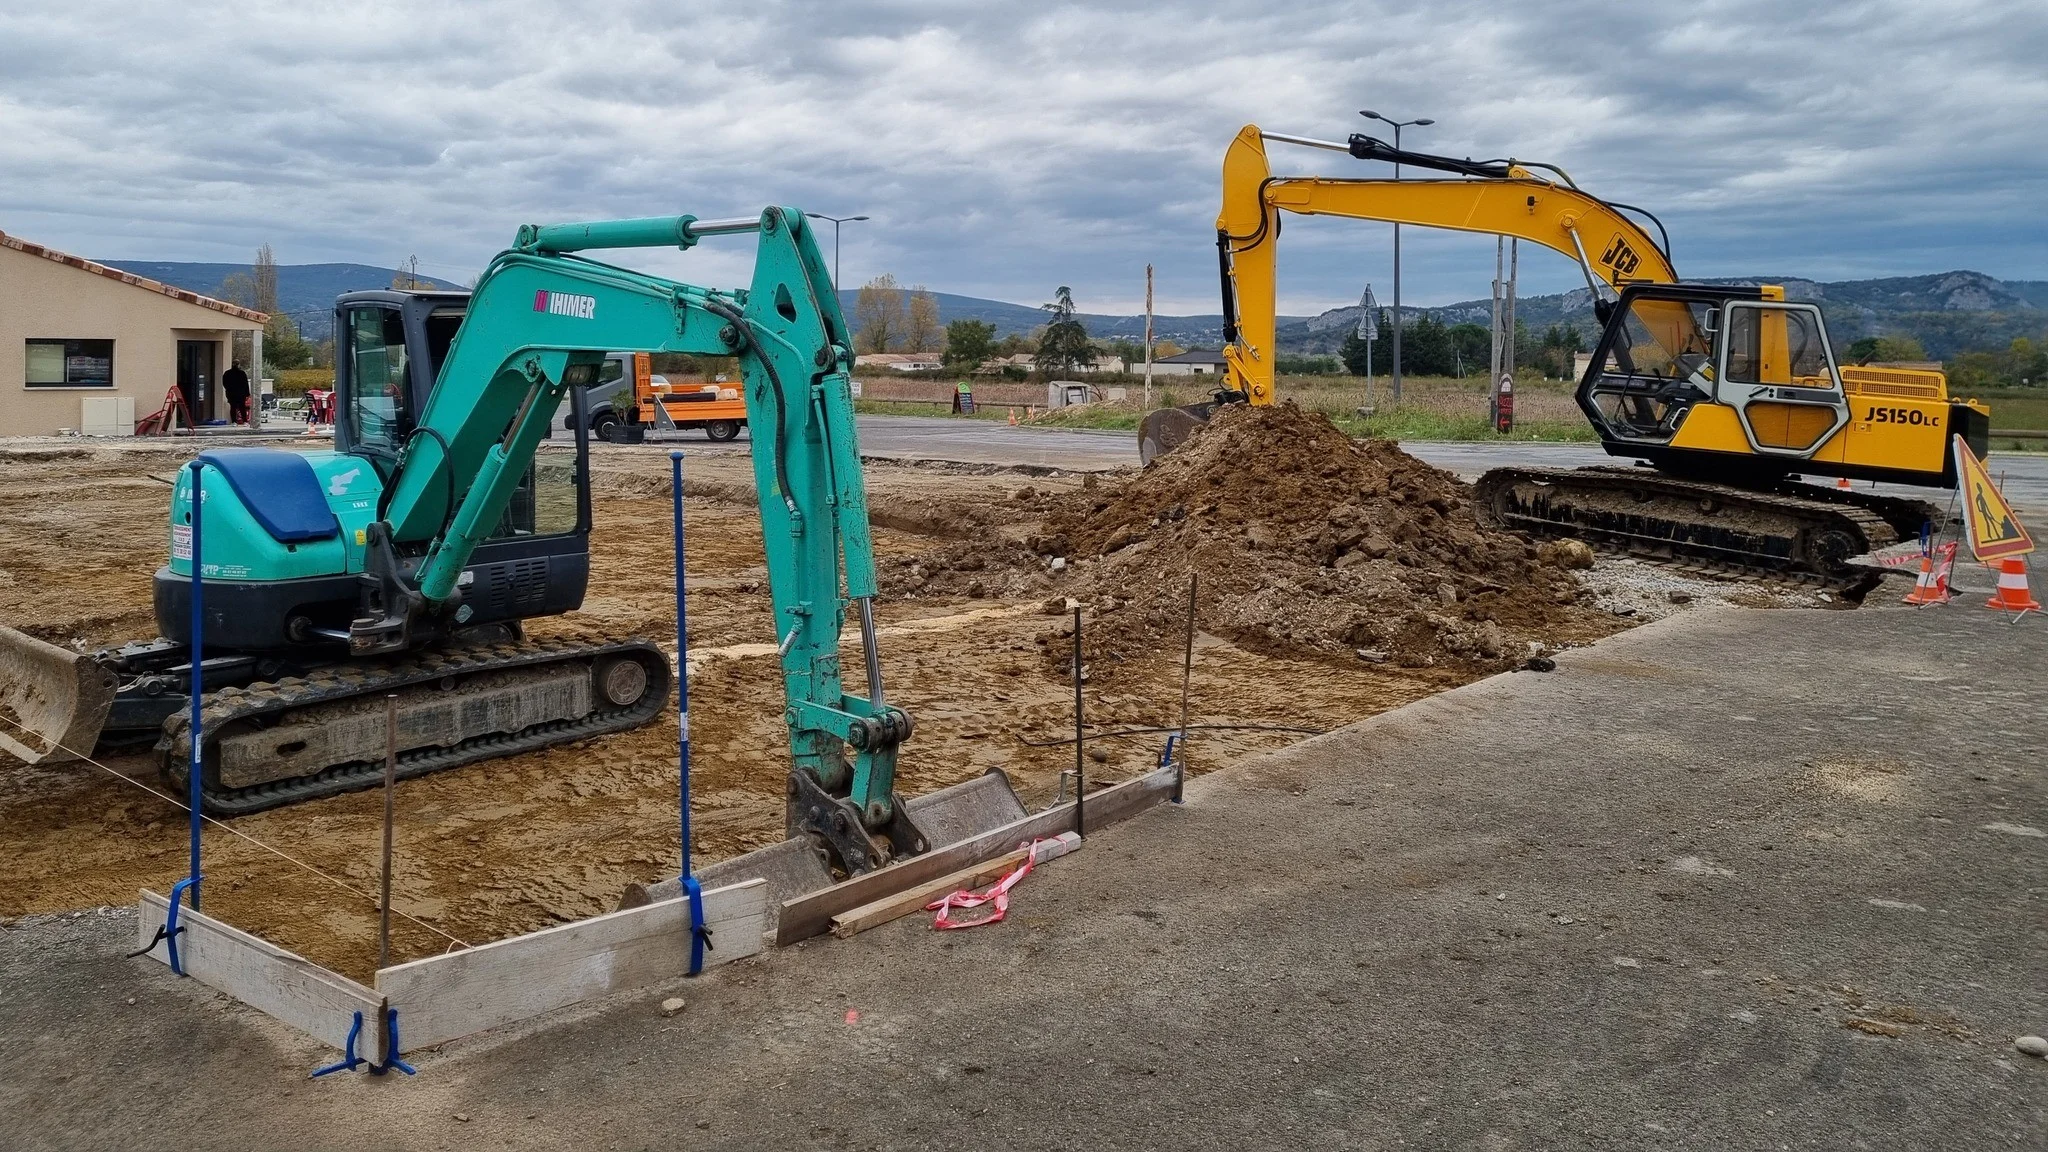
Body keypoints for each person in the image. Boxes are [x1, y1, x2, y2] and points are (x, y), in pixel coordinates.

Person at [222, 360, 251, 426]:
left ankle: (234, 421)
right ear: (238, 365)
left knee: (233, 407)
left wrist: (228, 390)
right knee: (242, 407)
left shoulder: (227, 373)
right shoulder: (242, 373)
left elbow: (224, 383)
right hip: (241, 393)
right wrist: (247, 394)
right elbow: (245, 384)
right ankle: (245, 421)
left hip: (231, 393)